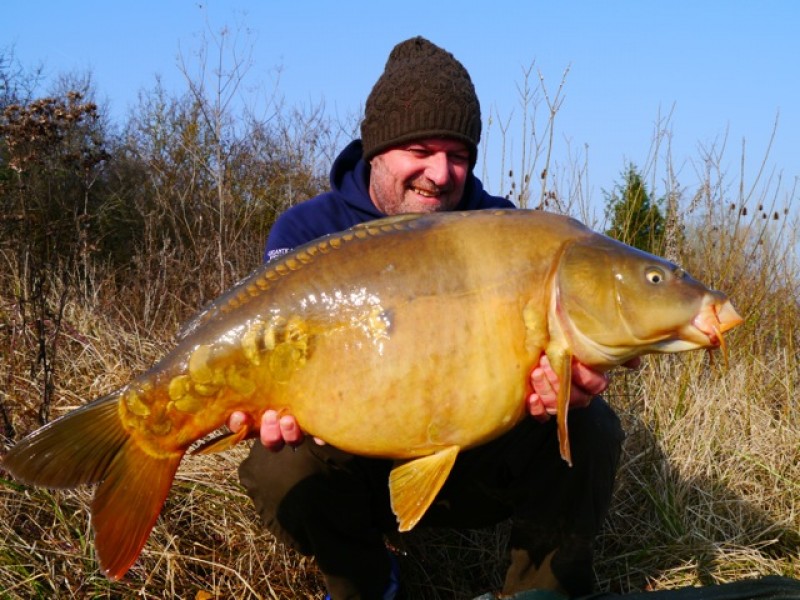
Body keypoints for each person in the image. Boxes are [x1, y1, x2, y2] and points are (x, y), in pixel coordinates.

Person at [228, 36, 625, 600]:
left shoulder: (503, 232)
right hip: (358, 465)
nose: (440, 174)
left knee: (590, 426)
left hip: (472, 463)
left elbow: (562, 356)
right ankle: (366, 581)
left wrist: (557, 392)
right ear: (377, 150)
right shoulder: (306, 233)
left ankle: (541, 590)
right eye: (420, 150)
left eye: (458, 155)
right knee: (280, 465)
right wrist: (261, 403)